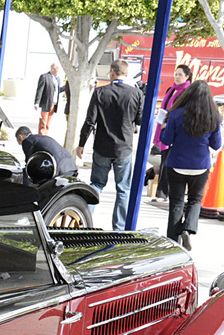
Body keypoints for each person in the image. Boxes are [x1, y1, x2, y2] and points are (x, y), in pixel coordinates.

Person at [77, 61, 144, 230]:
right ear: (126, 74)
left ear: (112, 72)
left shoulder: (100, 92)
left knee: (96, 184)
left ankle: (83, 220)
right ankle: (119, 228)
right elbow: (140, 120)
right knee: (123, 189)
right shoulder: (135, 94)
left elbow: (90, 121)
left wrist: (81, 143)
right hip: (124, 149)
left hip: (102, 147)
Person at [158, 80, 222, 249]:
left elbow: (166, 140)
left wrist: (164, 128)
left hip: (176, 163)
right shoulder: (213, 116)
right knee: (195, 200)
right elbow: (216, 145)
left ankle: (173, 243)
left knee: (176, 203)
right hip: (200, 166)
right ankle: (189, 228)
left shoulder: (176, 114)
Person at [150, 63, 194, 201]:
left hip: (176, 132)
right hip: (165, 128)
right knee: (164, 161)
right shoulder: (171, 90)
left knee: (169, 164)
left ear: (187, 76)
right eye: (176, 74)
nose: (177, 77)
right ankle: (161, 194)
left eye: (180, 74)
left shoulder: (188, 92)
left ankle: (165, 193)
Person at [34, 63, 61, 134]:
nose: (58, 72)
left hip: (53, 104)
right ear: (53, 69)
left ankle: (46, 136)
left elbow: (57, 90)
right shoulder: (45, 77)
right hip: (45, 103)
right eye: (58, 70)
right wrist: (37, 102)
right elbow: (40, 90)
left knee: (48, 124)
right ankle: (41, 137)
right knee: (43, 122)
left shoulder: (57, 79)